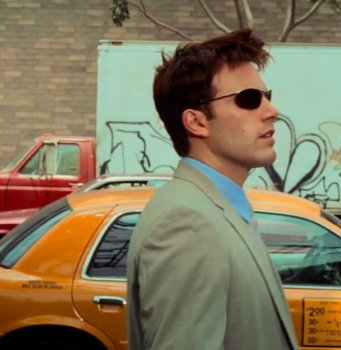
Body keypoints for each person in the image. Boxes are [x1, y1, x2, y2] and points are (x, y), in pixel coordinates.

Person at [126, 29, 298, 350]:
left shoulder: (217, 208)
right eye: (249, 99)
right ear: (197, 122)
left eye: (267, 96)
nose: (271, 110)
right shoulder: (187, 222)